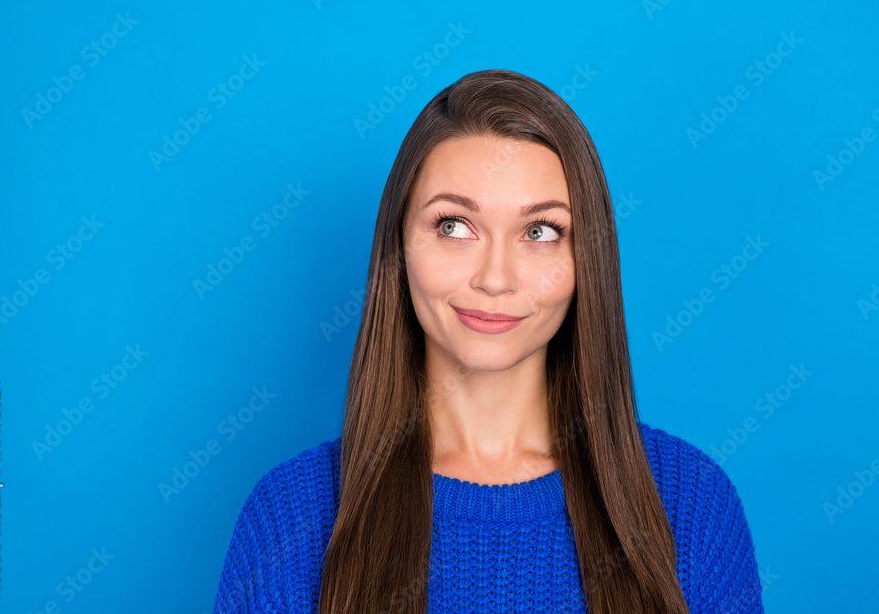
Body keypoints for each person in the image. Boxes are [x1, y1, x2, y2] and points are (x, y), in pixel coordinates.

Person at [211, 68, 764, 613]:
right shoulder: (290, 517)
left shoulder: (692, 504)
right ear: (399, 244)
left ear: (586, 260)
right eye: (453, 226)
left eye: (540, 232)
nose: (495, 279)